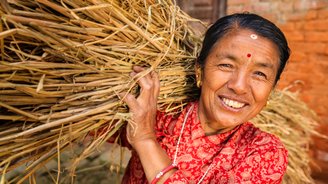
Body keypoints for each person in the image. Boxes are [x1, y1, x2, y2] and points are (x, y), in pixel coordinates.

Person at [119, 12, 290, 184]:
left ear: (271, 90)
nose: (239, 86)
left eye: (260, 74)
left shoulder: (266, 153)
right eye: (226, 65)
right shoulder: (158, 112)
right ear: (199, 71)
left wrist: (145, 139)